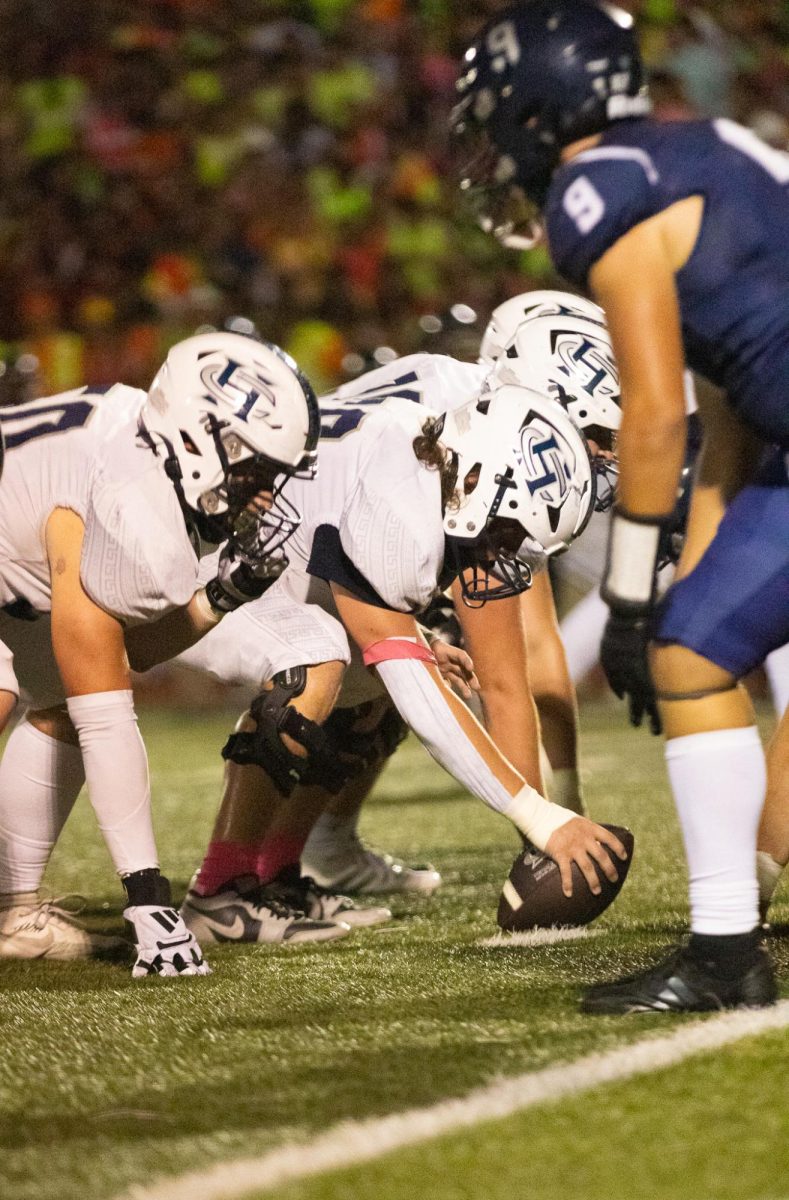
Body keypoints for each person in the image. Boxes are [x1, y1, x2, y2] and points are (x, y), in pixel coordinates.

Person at [455, 0, 788, 1012]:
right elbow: (727, 410)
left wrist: (634, 600)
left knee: (685, 650)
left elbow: (650, 415)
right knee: (697, 647)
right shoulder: (697, 148)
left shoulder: (600, 189)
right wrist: (678, 584)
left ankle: (727, 955)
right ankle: (727, 950)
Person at [170, 376, 629, 947]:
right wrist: (542, 818)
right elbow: (413, 682)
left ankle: (277, 874)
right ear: (478, 480)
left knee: (375, 679)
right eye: (508, 530)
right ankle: (219, 891)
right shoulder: (402, 508)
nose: (507, 553)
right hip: (193, 579)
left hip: (259, 576)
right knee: (317, 662)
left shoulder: (429, 469)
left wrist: (421, 647)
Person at [0, 331, 320, 976]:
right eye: (256, 472)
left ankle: (15, 912)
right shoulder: (123, 501)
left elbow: (124, 654)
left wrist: (221, 595)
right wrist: (148, 899)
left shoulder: (149, 469)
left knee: (57, 704)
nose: (265, 496)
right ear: (200, 440)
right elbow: (108, 711)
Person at [300, 295, 624, 894]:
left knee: (427, 651)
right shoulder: (490, 446)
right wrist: (547, 833)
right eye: (596, 432)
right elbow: (508, 678)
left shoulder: (487, 415)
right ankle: (287, 851)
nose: (604, 452)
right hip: (300, 564)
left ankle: (309, 844)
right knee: (430, 658)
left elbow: (539, 651)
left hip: (302, 548)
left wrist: (566, 803)